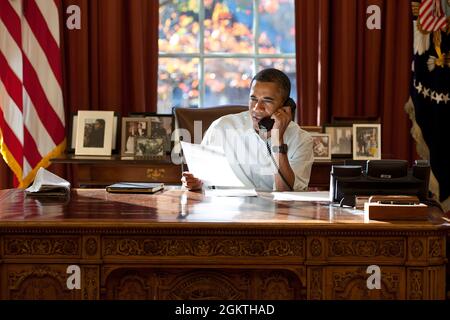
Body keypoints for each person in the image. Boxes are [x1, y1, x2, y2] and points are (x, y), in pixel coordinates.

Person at [181, 68, 314, 191]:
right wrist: (196, 183)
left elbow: (287, 195)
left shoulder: (302, 140)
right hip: (227, 212)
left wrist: (277, 139)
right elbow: (202, 181)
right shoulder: (221, 128)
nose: (257, 108)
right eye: (253, 99)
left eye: (267, 101)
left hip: (274, 214)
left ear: (285, 107)